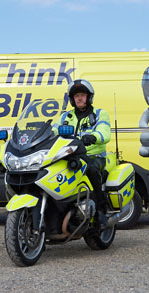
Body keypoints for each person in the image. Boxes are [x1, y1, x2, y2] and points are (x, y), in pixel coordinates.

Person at [55, 79, 112, 227]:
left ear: (89, 97)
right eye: (76, 96)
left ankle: (101, 209)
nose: (79, 98)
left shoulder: (99, 114)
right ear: (72, 99)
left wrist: (94, 137)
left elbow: (105, 133)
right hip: (70, 155)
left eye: (82, 95)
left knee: (91, 169)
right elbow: (53, 130)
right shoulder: (65, 117)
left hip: (94, 156)